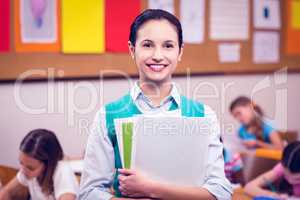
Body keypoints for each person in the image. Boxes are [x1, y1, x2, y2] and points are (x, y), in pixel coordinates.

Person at [79, 9, 232, 200]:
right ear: (132, 50)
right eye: (147, 45)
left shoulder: (203, 115)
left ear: (180, 52)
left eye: (168, 45)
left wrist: (150, 189)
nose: (158, 55)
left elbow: (221, 192)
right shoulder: (108, 115)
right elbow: (88, 193)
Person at [0, 129, 78, 200]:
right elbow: (7, 192)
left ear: (48, 165)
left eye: (30, 168)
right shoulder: (27, 172)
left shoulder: (62, 172)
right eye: (21, 163)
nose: (23, 171)